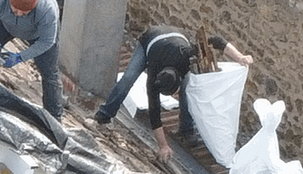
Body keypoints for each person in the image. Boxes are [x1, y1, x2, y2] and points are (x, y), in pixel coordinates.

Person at [94, 27, 236, 157]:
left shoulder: (186, 56)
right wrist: (163, 146)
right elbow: (154, 110)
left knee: (188, 91)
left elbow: (214, 41)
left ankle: (186, 130)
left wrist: (240, 58)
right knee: (128, 78)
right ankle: (105, 114)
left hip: (176, 38)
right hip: (150, 39)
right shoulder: (154, 76)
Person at [0, 0, 63, 118]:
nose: (18, 13)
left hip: (37, 34)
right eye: (15, 9)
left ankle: (54, 118)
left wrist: (20, 57)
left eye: (24, 12)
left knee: (50, 74)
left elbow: (47, 41)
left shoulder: (47, 10)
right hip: (5, 25)